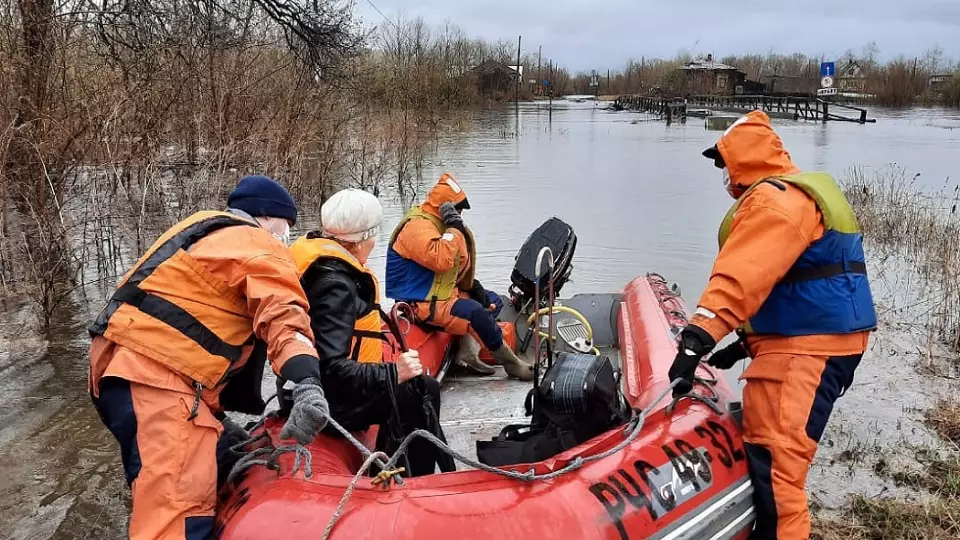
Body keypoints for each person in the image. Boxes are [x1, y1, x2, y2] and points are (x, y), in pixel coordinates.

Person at [667, 110, 876, 540]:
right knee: (771, 460)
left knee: (780, 473)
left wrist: (695, 341)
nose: (723, 174)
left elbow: (740, 280)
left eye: (724, 163)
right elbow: (794, 286)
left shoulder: (773, 202)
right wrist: (741, 344)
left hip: (806, 353)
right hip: (812, 344)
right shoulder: (794, 197)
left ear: (744, 158)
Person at [88, 175, 330, 540]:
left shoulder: (202, 231)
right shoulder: (257, 245)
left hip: (115, 372)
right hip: (157, 383)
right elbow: (284, 314)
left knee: (218, 452)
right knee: (179, 516)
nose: (287, 237)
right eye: (287, 227)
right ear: (266, 218)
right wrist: (306, 380)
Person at [289, 188, 452, 476]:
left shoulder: (316, 262)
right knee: (423, 390)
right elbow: (330, 367)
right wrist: (393, 373)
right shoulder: (335, 286)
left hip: (316, 391)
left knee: (413, 387)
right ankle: (418, 482)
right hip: (332, 401)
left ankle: (391, 462)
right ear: (363, 238)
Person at [385, 173, 533, 381]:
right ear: (444, 208)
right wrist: (454, 228)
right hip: (421, 303)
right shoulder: (417, 228)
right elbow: (442, 259)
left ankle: (466, 354)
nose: (461, 215)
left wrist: (473, 286)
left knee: (492, 302)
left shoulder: (440, 225)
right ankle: (513, 364)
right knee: (477, 313)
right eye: (458, 210)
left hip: (441, 294)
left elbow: (456, 265)